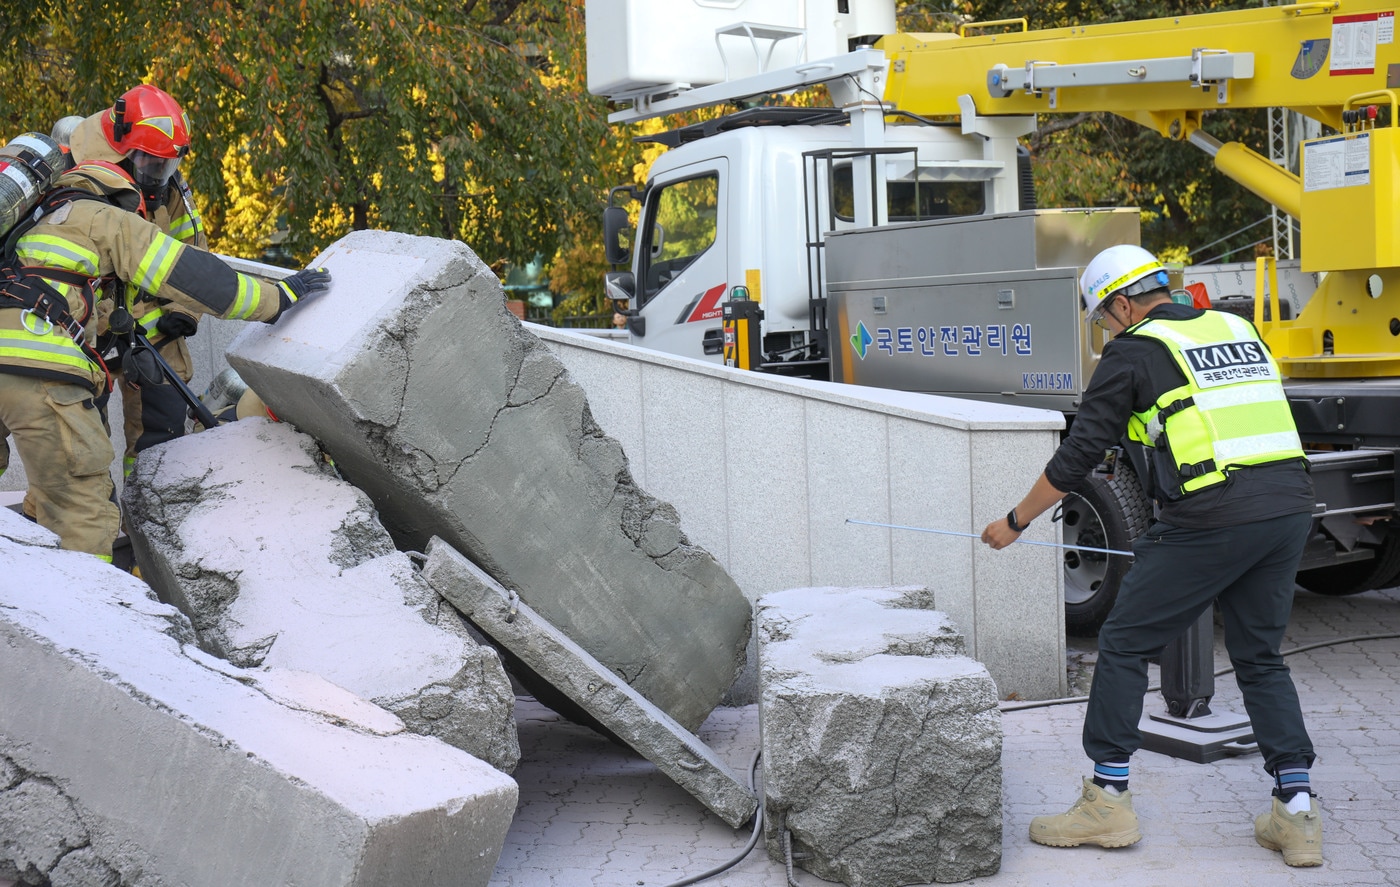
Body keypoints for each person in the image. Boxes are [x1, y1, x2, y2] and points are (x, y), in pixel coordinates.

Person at [979, 243, 1322, 866]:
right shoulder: (1235, 327)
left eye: (1104, 317)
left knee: (1125, 643)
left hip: (1215, 515)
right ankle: (1297, 814)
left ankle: (1107, 801)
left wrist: (1016, 522)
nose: (1105, 329)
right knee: (1259, 655)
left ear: (1121, 303)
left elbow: (1076, 456)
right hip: (1289, 505)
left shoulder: (1134, 348)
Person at [0, 142, 329, 562]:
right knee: (80, 515)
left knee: (44, 499)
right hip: (36, 375)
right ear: (122, 195)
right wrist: (278, 298)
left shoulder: (28, 225)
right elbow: (192, 275)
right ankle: (96, 622)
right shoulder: (102, 216)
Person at [65, 86, 209, 476]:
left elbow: (195, 251)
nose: (159, 175)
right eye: (150, 163)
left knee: (160, 439)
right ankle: (87, 524)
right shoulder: (79, 179)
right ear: (123, 150)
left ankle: (147, 515)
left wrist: (184, 309)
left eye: (167, 165)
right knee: (81, 447)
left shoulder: (169, 188)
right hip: (83, 331)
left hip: (151, 327)